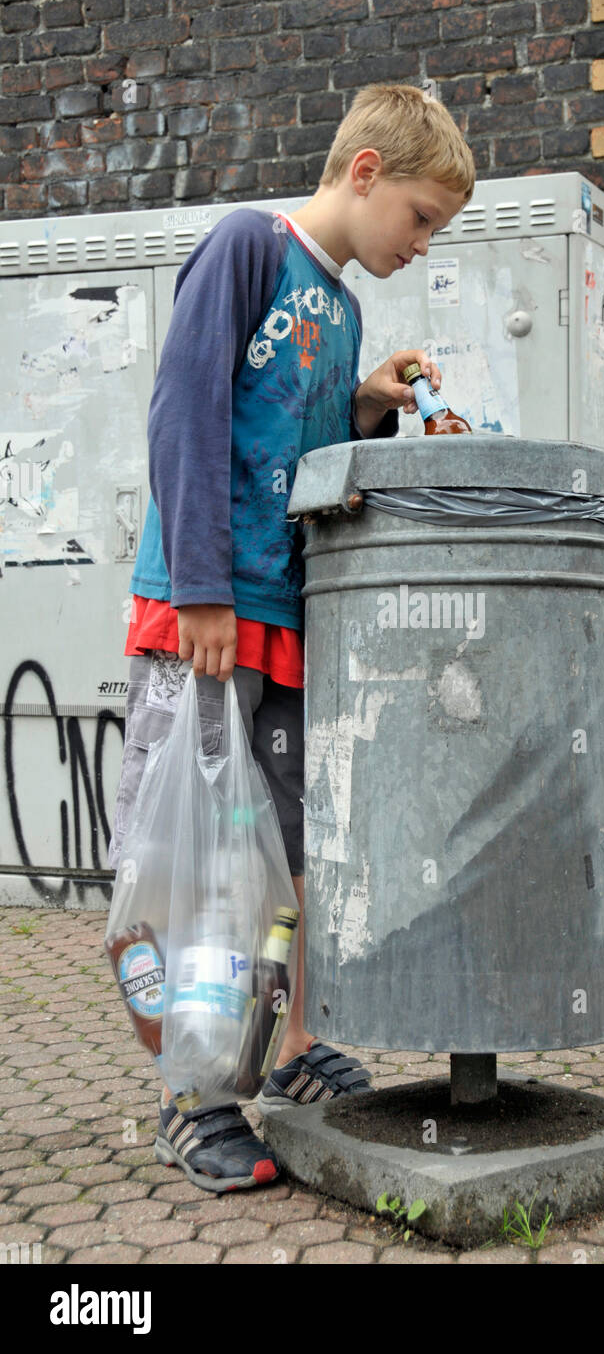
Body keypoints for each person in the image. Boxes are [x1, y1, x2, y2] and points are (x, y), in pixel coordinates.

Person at [107, 82, 475, 1192]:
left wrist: (365, 407)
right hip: (204, 617)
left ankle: (292, 1044)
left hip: (283, 623)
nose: (420, 243)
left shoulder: (345, 308)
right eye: (418, 216)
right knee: (196, 865)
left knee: (282, 862)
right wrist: (208, 589)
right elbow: (186, 410)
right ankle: (195, 1093)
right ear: (363, 173)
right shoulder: (244, 250)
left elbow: (301, 450)